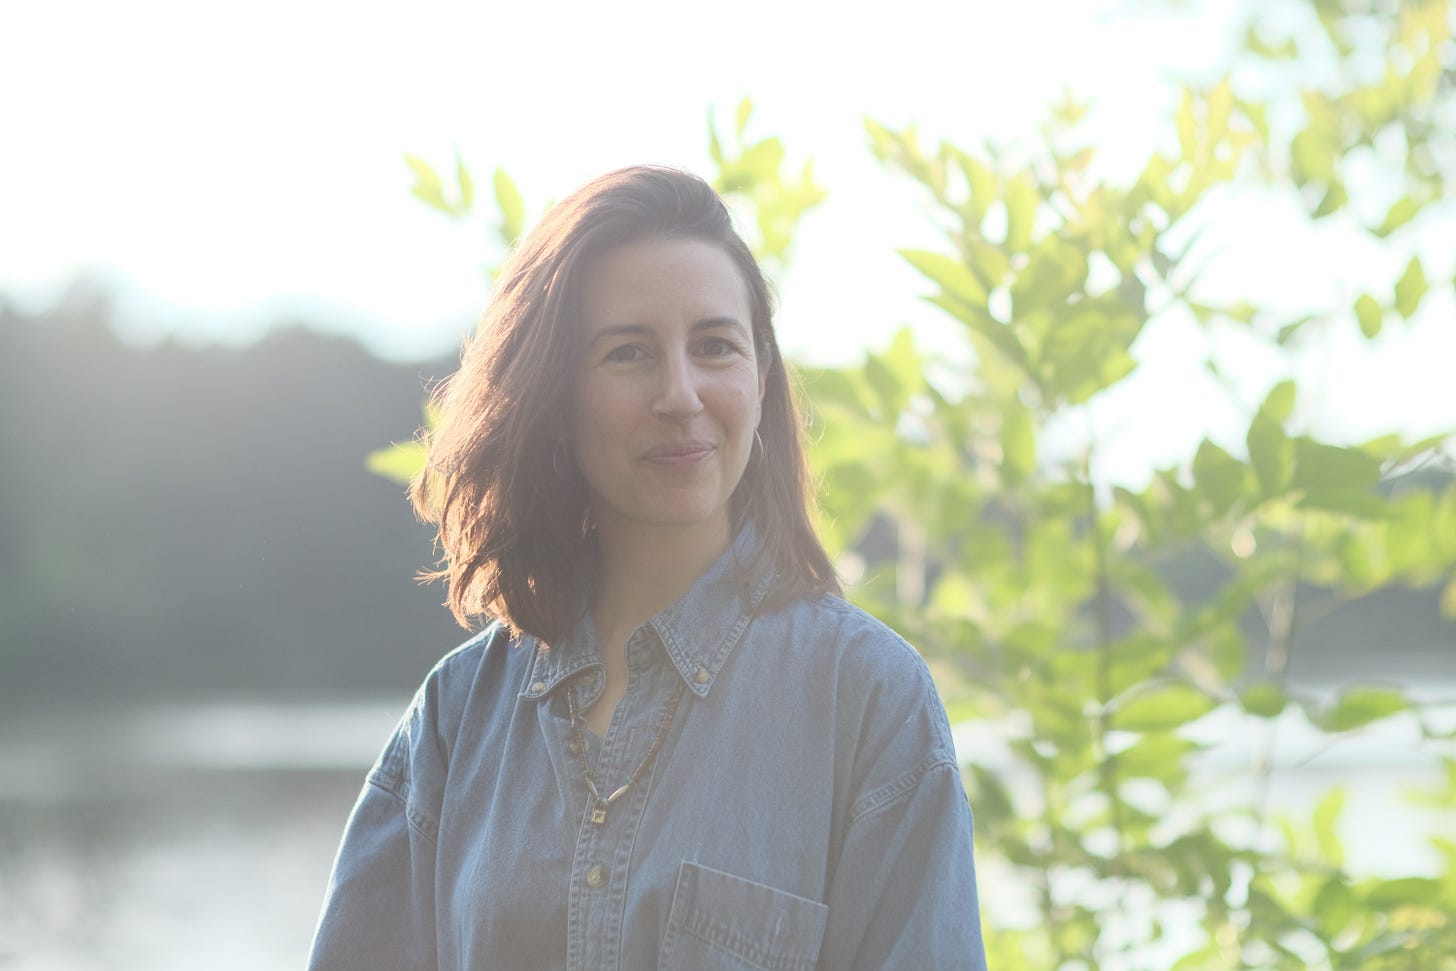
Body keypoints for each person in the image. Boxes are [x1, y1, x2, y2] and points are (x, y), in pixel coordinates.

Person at [307, 165, 987, 970]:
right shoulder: (457, 719)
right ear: (557, 399)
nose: (681, 393)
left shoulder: (871, 702)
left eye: (715, 346)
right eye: (629, 353)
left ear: (761, 381)